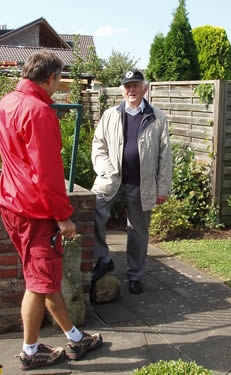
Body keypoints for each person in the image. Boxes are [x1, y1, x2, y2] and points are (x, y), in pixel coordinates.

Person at [0, 51, 103, 371]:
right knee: (40, 283)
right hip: (35, 211)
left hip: (12, 204)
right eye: (60, 78)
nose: (60, 85)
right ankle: (31, 351)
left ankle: (74, 336)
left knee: (42, 279)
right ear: (52, 77)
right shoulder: (39, 111)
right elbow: (48, 172)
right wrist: (62, 215)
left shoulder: (7, 102)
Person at [90, 69, 172, 295]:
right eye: (127, 86)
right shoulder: (110, 115)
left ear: (145, 88)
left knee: (138, 231)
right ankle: (103, 258)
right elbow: (98, 147)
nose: (131, 90)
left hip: (142, 183)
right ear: (122, 90)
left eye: (136, 85)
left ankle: (135, 276)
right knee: (94, 209)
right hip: (112, 179)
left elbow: (165, 156)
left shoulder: (157, 117)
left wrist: (162, 188)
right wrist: (106, 170)